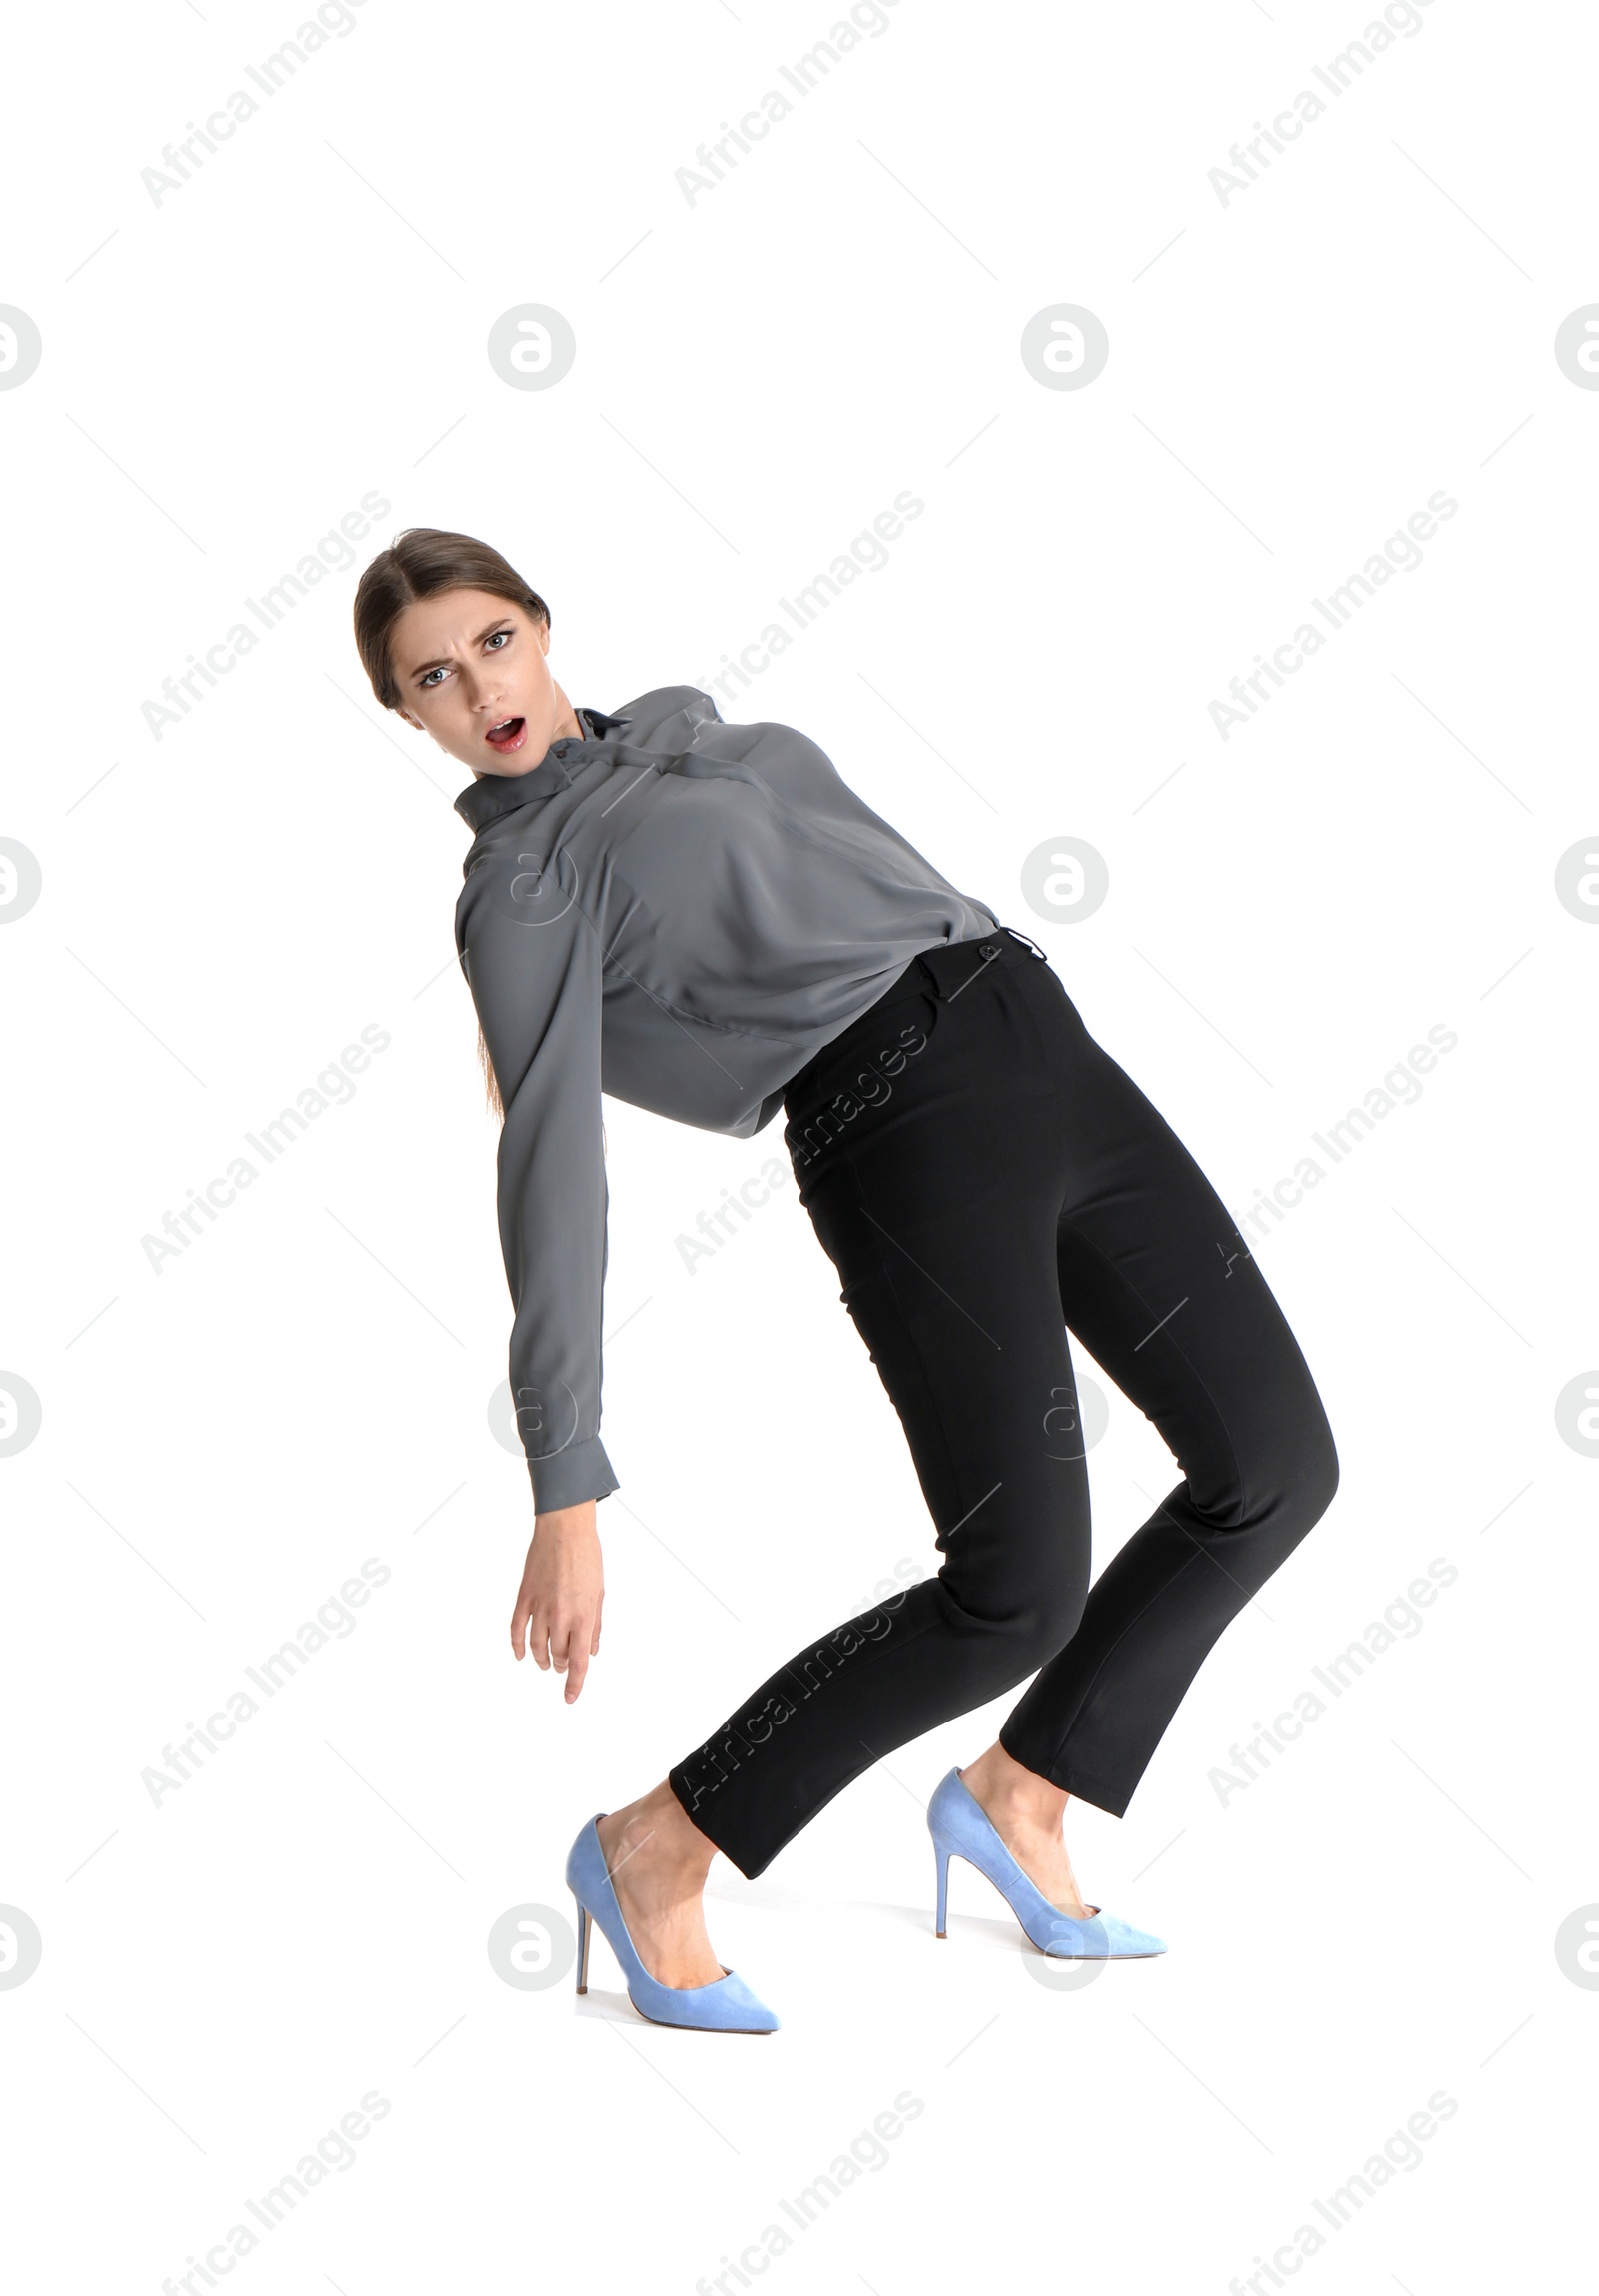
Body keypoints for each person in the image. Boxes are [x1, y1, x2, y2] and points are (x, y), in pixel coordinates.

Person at [352, 527, 1339, 2033]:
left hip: (1037, 1038)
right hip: (900, 1129)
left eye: (491, 639)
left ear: (542, 626)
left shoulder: (683, 721)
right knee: (1015, 1593)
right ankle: (653, 1845)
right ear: (406, 718)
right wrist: (567, 1476)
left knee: (1275, 1461)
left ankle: (1026, 1790)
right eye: (431, 676)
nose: (476, 684)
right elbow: (547, 1169)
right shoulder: (522, 887)